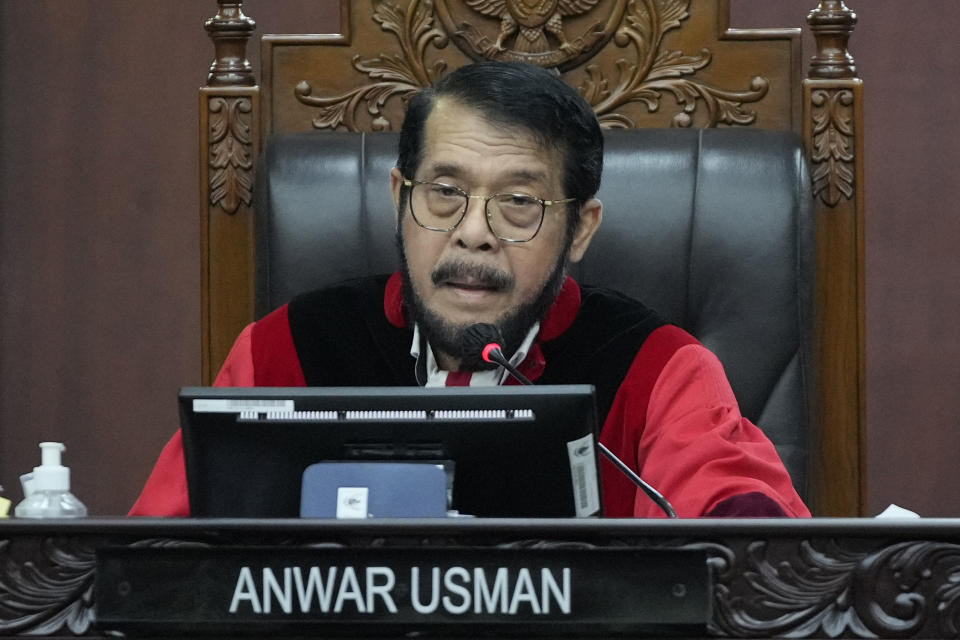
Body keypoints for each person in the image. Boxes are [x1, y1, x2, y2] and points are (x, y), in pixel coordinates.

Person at [131, 61, 809, 518]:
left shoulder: (657, 371)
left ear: (580, 229)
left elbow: (753, 549)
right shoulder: (283, 355)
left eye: (519, 203)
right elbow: (153, 562)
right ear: (400, 199)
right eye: (445, 193)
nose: (473, 234)